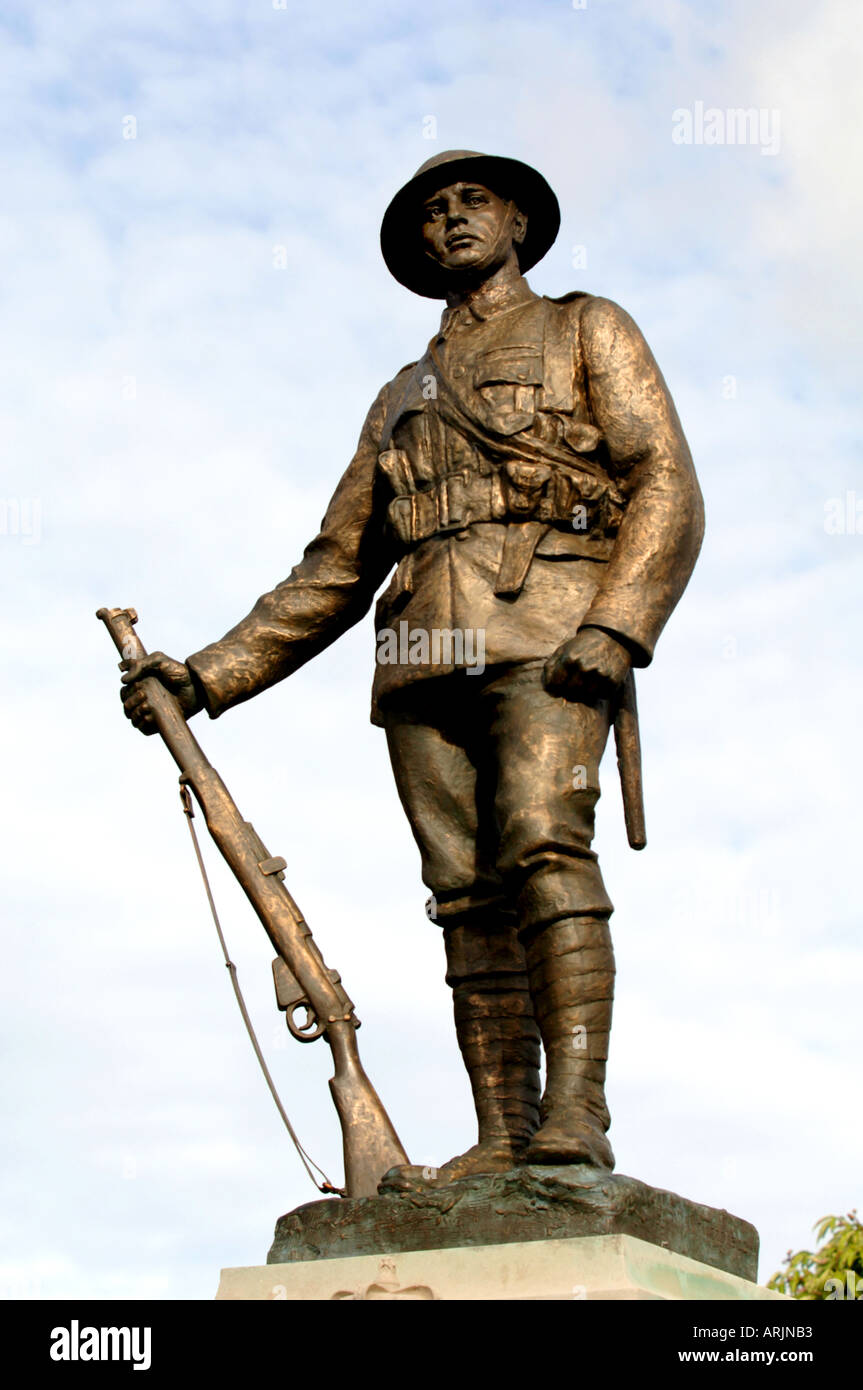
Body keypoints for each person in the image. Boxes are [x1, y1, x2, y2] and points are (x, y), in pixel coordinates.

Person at [121, 150, 704, 1183]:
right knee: (463, 895)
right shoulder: (400, 395)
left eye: (472, 201)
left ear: (516, 222)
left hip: (549, 637)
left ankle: (576, 1111)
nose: (451, 219)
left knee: (543, 848)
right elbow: (337, 567)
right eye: (432, 211)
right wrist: (206, 675)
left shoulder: (585, 328)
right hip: (420, 661)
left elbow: (663, 478)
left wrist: (618, 627)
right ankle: (505, 1131)